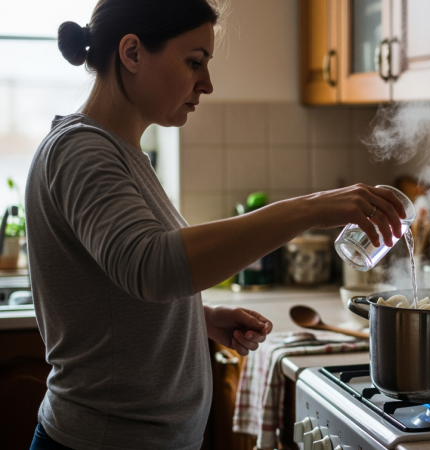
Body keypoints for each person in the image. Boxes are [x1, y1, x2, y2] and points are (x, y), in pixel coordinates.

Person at [25, 0, 406, 448]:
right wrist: (311, 209)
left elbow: (111, 292)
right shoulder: (82, 152)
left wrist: (195, 317)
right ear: (131, 53)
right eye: (193, 62)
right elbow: (151, 266)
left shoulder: (120, 153)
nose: (206, 83)